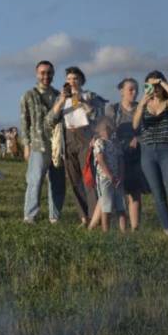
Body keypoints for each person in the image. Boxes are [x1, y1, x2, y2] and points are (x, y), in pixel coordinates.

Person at [46, 66, 104, 225]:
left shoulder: (89, 95)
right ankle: (83, 216)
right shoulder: (61, 98)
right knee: (74, 180)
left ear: (81, 81)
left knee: (88, 178)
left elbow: (98, 115)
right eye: (69, 79)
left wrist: (82, 101)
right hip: (68, 138)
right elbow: (50, 120)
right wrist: (63, 100)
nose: (72, 82)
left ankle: (94, 216)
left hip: (85, 137)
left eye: (75, 79)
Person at [132, 72, 168, 235]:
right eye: (150, 85)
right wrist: (142, 103)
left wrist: (161, 82)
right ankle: (167, 229)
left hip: (166, 150)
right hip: (147, 152)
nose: (154, 89)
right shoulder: (142, 105)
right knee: (157, 193)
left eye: (156, 86)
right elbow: (135, 125)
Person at [20, 60, 64, 224]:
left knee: (57, 181)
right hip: (38, 144)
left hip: (57, 145)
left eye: (49, 73)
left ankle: (55, 216)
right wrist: (26, 144)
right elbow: (24, 121)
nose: (46, 76)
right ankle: (30, 215)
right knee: (35, 179)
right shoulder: (28, 95)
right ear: (36, 74)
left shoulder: (60, 95)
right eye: (43, 73)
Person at [106, 78, 146, 230]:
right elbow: (106, 129)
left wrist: (138, 138)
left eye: (136, 89)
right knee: (117, 191)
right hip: (117, 155)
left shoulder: (141, 108)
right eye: (130, 89)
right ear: (121, 91)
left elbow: (147, 130)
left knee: (135, 193)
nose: (134, 92)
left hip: (136, 155)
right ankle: (120, 229)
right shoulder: (113, 109)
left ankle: (135, 227)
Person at [87, 117, 127, 233]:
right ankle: (106, 232)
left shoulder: (115, 143)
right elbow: (100, 159)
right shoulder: (99, 142)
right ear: (99, 130)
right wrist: (110, 176)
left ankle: (124, 232)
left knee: (121, 206)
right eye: (105, 128)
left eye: (109, 127)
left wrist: (121, 176)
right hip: (104, 179)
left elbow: (121, 160)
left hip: (117, 179)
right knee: (106, 207)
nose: (107, 130)